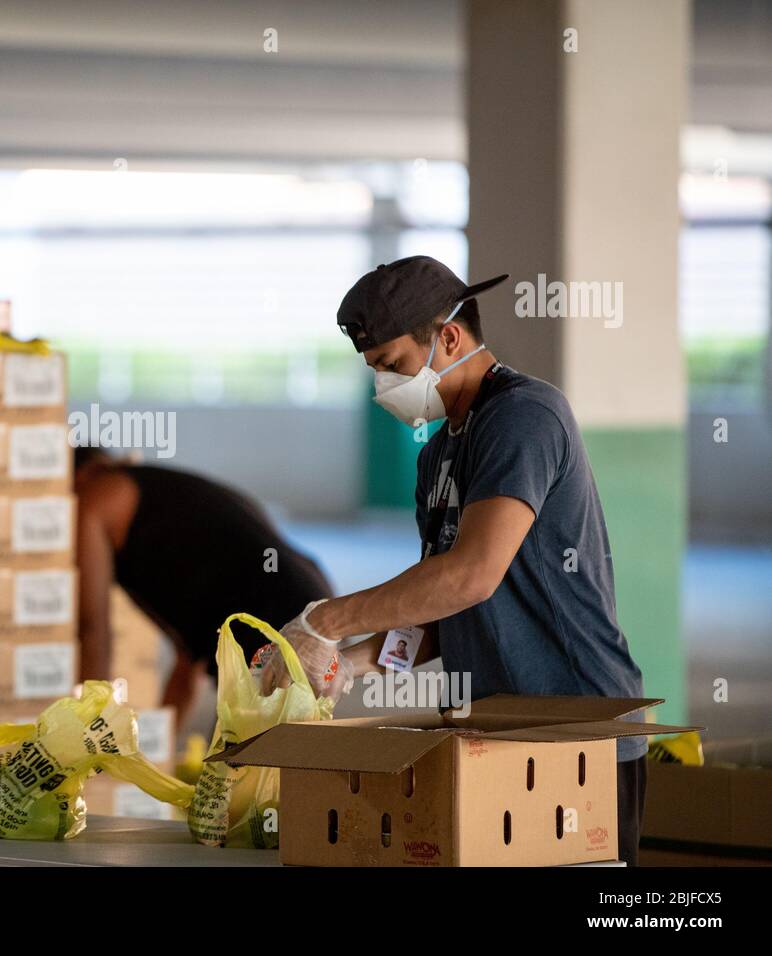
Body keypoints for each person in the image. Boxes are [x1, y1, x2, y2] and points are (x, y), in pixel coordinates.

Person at [262, 255, 649, 865]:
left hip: (576, 728)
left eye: (392, 366)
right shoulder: (437, 454)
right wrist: (353, 662)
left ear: (448, 337)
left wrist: (326, 622)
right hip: (492, 732)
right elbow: (438, 608)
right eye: (374, 371)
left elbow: (470, 575)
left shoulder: (526, 415)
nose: (383, 386)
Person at [74, 446, 332, 723]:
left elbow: (92, 627)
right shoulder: (163, 502)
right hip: (313, 602)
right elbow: (188, 657)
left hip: (279, 620)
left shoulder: (96, 496)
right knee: (257, 754)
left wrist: (88, 724)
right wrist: (161, 744)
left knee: (253, 757)